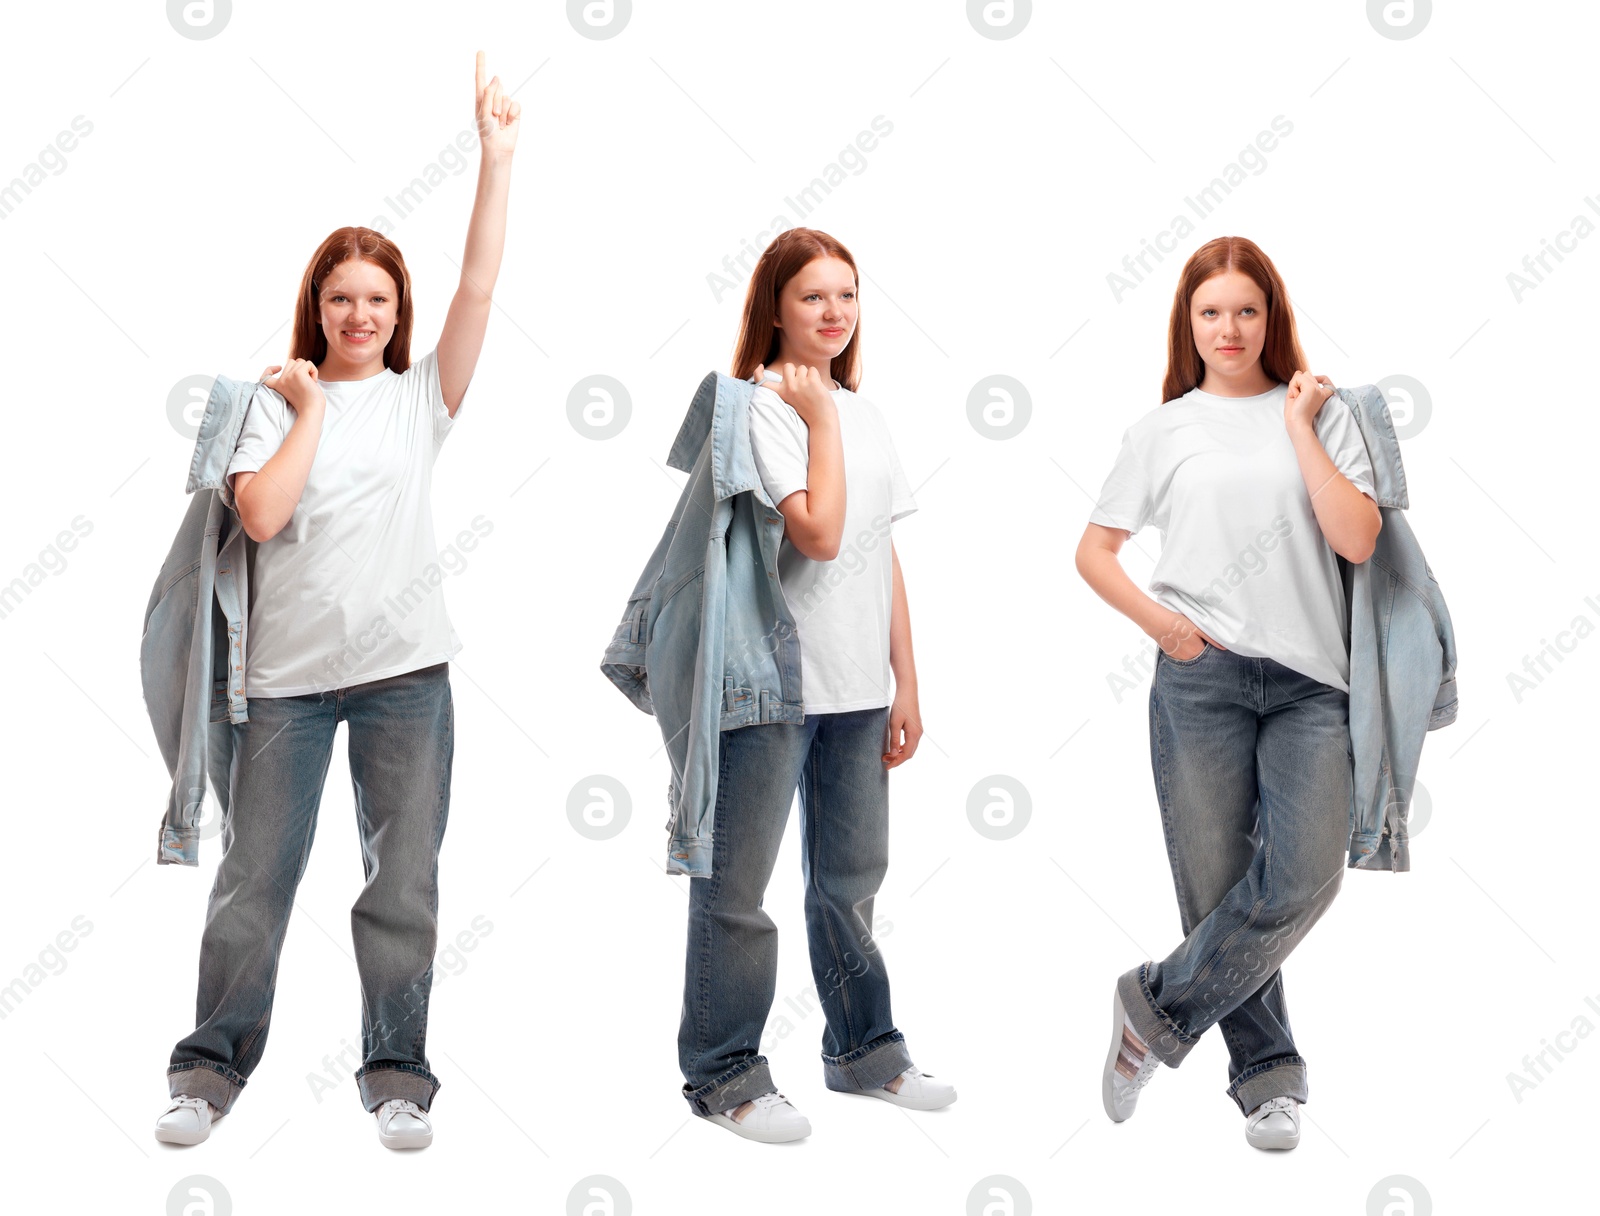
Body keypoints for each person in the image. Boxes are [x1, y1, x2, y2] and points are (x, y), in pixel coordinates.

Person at [153, 52, 519, 1152]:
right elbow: (261, 516)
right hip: (286, 686)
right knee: (253, 881)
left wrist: (496, 157)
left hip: (408, 674)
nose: (359, 311)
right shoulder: (266, 408)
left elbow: (482, 288)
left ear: (397, 308)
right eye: (340, 295)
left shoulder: (423, 399)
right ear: (316, 304)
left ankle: (396, 1073)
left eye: (377, 297)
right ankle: (208, 1070)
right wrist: (307, 407)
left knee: (401, 884)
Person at [1076, 235, 1380, 1151]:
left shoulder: (1320, 415)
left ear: (1271, 317)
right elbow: (1094, 550)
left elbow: (1358, 540)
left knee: (1304, 875)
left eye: (1247, 309)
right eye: (1211, 312)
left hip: (1311, 685)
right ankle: (1267, 1079)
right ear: (1189, 323)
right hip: (1199, 680)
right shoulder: (1162, 430)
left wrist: (1298, 428)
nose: (1229, 328)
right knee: (1218, 895)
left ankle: (1152, 1010)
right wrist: (1163, 626)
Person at [678, 228, 956, 1143]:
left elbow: (880, 553)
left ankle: (863, 1054)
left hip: (857, 690)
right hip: (769, 688)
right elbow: (819, 535)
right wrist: (820, 422)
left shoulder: (860, 410)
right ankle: (726, 1077)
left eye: (847, 295)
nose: (834, 314)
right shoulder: (758, 407)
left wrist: (905, 678)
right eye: (813, 298)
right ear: (774, 307)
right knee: (737, 891)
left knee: (849, 883)